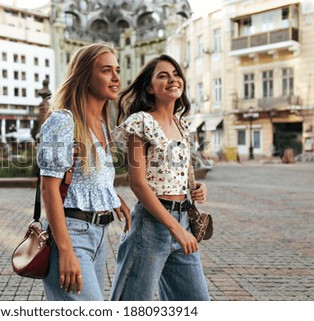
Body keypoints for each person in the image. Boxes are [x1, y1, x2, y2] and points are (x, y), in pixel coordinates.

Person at [109, 54, 210, 301]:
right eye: (162, 76)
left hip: (183, 220)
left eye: (176, 74)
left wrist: (197, 187)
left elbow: (179, 171)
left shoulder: (182, 125)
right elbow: (138, 183)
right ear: (149, 87)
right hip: (151, 226)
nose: (172, 79)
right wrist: (175, 229)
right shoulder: (140, 123)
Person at [37, 42, 131, 300]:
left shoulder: (101, 124)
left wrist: (113, 197)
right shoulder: (63, 121)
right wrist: (65, 250)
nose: (116, 77)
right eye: (106, 71)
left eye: (117, 70)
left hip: (99, 237)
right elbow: (49, 188)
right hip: (72, 235)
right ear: (86, 77)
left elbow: (87, 175)